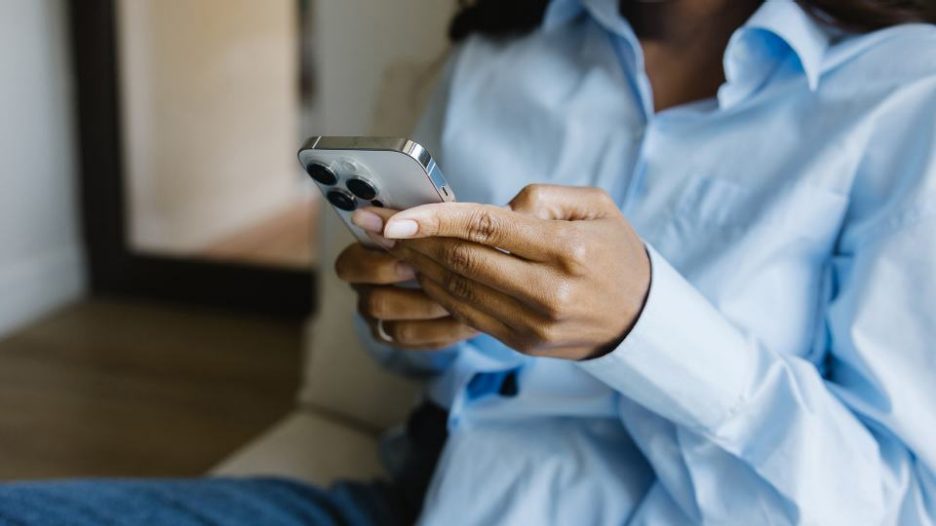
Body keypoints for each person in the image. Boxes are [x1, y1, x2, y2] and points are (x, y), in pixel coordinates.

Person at [2, 0, 934, 524]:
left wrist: (647, 325)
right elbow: (423, 370)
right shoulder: (499, 54)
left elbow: (896, 501)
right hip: (432, 496)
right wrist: (419, 318)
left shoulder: (905, 100)